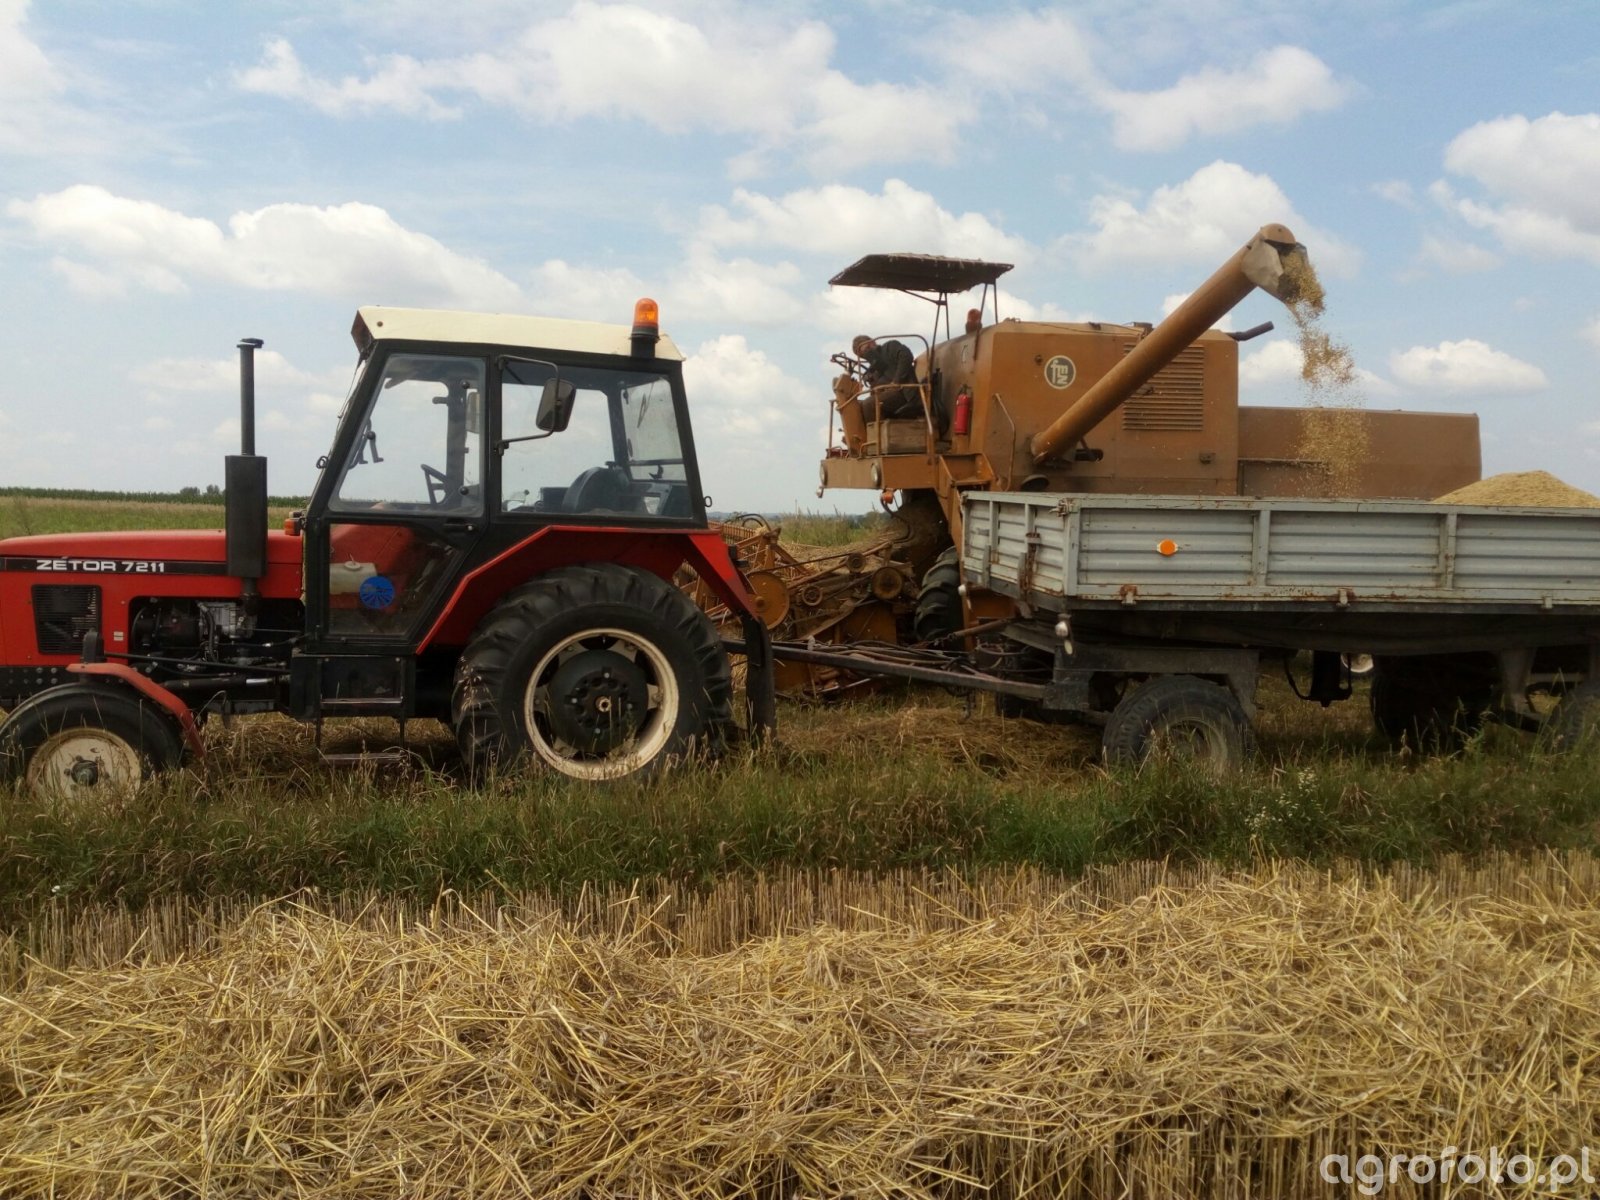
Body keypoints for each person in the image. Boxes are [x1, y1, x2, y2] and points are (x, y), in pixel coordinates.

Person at [851, 334, 921, 420]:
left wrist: (896, 381)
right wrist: (871, 380)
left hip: (905, 392)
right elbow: (877, 387)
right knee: (859, 406)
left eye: (868, 348)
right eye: (864, 355)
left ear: (873, 342)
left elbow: (906, 356)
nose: (868, 354)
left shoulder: (890, 347)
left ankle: (876, 429)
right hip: (891, 395)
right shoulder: (874, 368)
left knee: (868, 404)